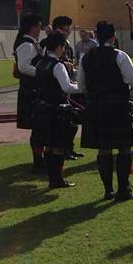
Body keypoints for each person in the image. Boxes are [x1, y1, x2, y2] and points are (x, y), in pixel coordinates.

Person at [77, 21, 133, 201]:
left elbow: (81, 85)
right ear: (113, 37)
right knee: (124, 148)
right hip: (118, 105)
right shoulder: (120, 55)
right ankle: (123, 190)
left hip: (96, 107)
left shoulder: (86, 58)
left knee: (103, 149)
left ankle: (108, 190)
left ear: (96, 36)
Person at [34, 33, 81, 189]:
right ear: (59, 47)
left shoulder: (41, 63)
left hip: (42, 108)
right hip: (57, 109)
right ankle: (57, 179)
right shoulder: (57, 65)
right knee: (58, 146)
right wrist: (81, 87)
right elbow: (66, 87)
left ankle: (52, 178)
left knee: (48, 145)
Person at [43, 16, 82, 159]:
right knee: (59, 131)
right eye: (66, 29)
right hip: (58, 92)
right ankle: (60, 155)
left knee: (70, 124)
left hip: (64, 85)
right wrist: (81, 87)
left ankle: (68, 148)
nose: (68, 32)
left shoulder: (66, 45)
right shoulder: (51, 47)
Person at [14, 14, 44, 172]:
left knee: (39, 127)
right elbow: (24, 67)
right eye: (38, 25)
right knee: (38, 128)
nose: (40, 29)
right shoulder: (26, 44)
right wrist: (44, 72)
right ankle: (38, 162)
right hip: (31, 90)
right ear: (32, 27)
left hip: (33, 89)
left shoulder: (30, 43)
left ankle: (40, 160)